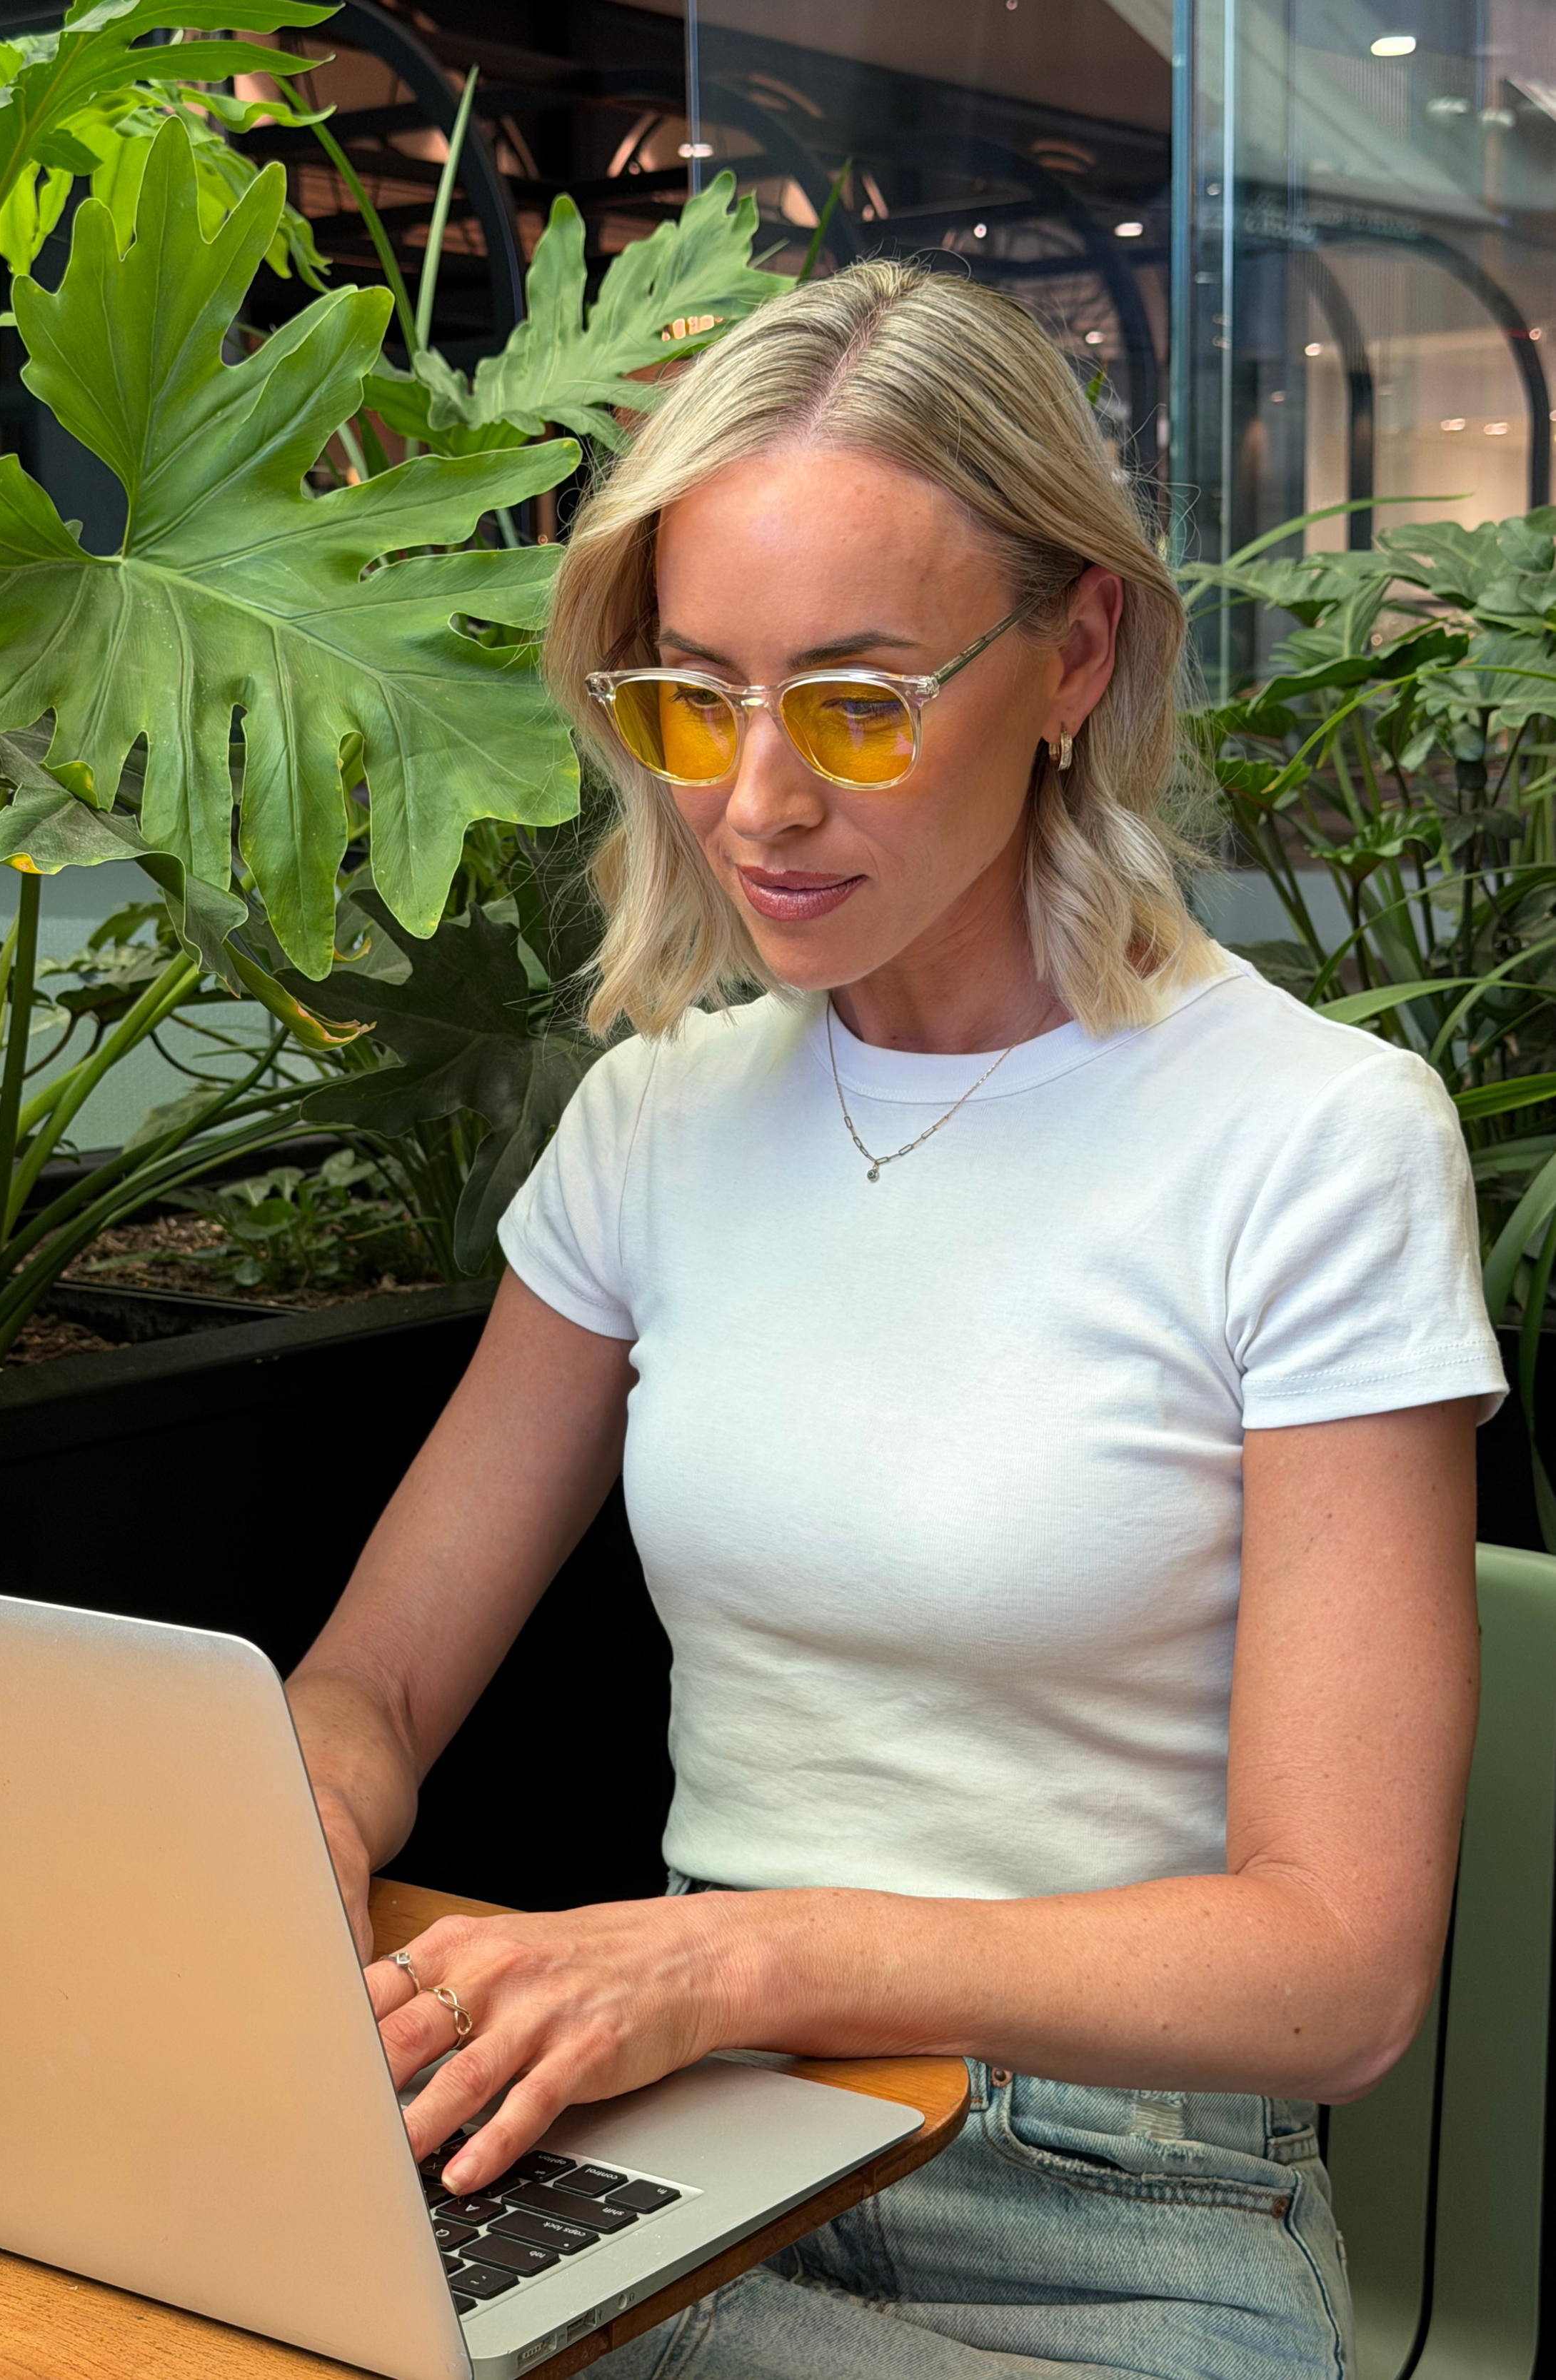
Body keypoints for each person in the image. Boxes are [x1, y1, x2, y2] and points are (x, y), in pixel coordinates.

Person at [287, 261, 1506, 2379]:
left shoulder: (1312, 1141)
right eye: (693, 697)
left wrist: (723, 1959)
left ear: (1073, 651)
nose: (753, 800)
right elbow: (375, 1681)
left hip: (1112, 2211)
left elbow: (1334, 1968)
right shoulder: (656, 1121)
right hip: (678, 2138)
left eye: (855, 700)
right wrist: (295, 1809)